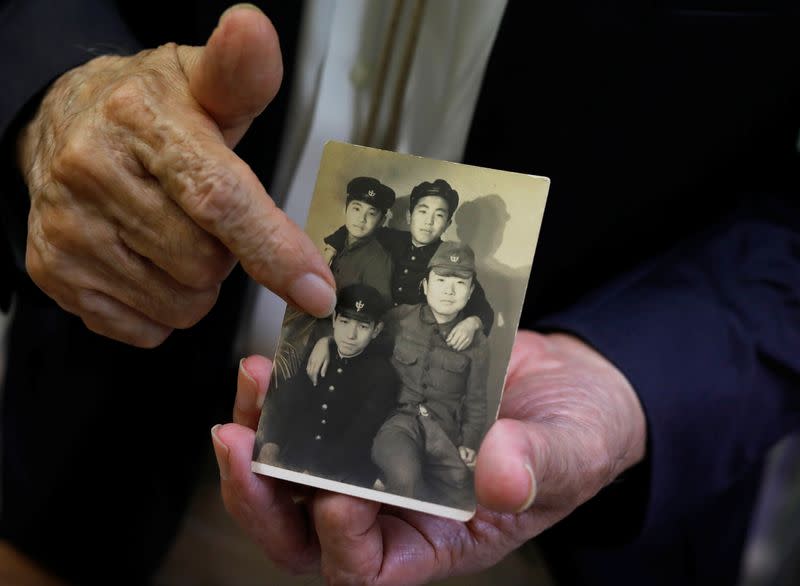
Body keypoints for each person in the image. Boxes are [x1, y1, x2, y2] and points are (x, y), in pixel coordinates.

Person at [0, 3, 797, 586]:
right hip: (112, 455)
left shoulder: (449, 304)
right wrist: (47, 99)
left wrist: (635, 373)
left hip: (564, 526)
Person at [370, 241, 488, 509]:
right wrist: (328, 344)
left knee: (462, 495)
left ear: (470, 292)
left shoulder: (478, 343)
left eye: (459, 283)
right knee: (405, 475)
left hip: (444, 432)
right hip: (397, 423)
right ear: (425, 285)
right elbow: (361, 343)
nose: (449, 289)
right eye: (441, 279)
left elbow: (476, 401)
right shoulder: (399, 319)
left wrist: (469, 441)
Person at [252, 283, 397, 488]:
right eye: (345, 321)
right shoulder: (317, 355)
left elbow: (359, 437)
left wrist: (316, 472)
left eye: (363, 326)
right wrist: (271, 445)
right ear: (334, 320)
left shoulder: (382, 375)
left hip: (341, 473)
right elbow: (288, 404)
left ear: (376, 330)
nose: (351, 335)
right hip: (292, 457)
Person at [321, 176, 395, 302]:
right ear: (345, 210)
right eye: (356, 209)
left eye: (371, 213)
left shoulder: (379, 260)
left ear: (381, 221)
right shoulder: (340, 241)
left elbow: (375, 310)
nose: (362, 219)